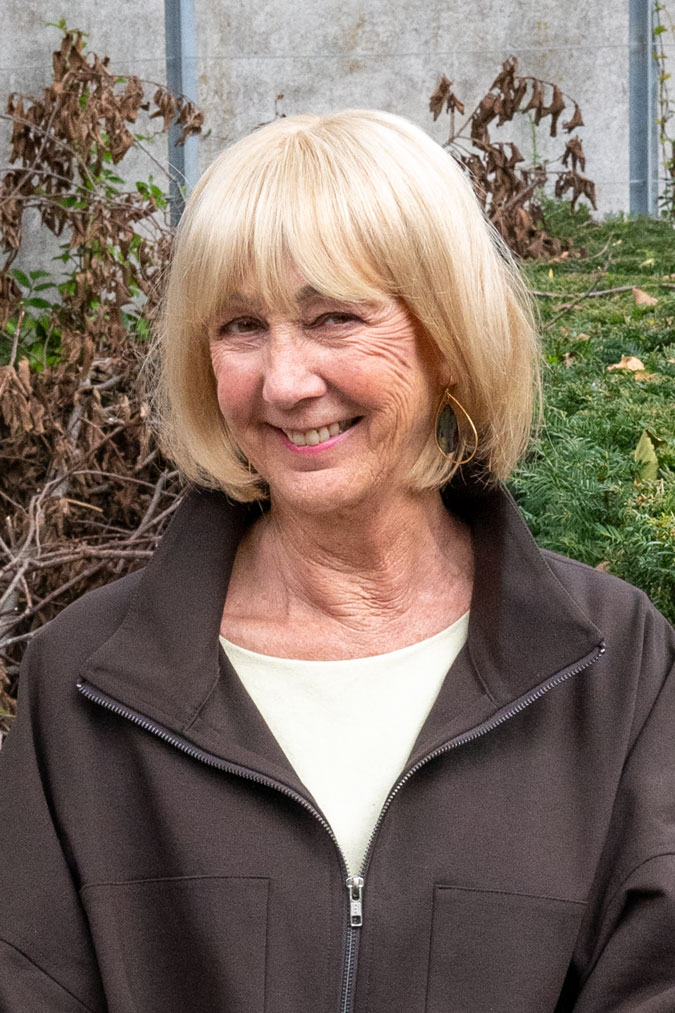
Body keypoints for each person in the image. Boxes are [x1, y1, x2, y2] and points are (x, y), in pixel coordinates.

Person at [0, 109, 673, 1013]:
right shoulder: (84, 682)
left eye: (334, 318)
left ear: (448, 338)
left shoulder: (611, 661)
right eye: (241, 326)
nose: (284, 382)